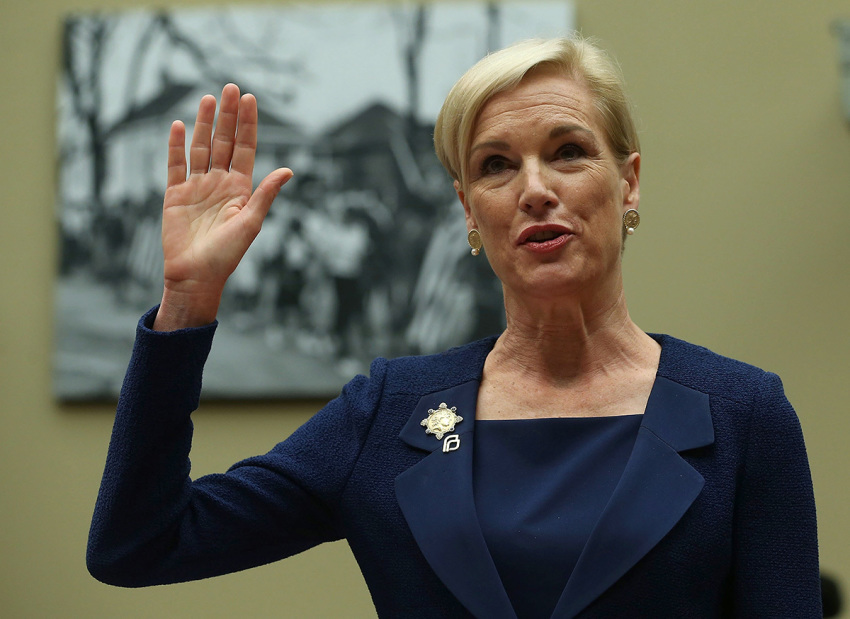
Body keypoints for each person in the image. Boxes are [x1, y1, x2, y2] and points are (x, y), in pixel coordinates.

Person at [87, 37, 821, 618]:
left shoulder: (743, 415)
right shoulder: (386, 414)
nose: (535, 189)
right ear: (470, 210)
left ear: (627, 182)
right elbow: (138, 544)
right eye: (496, 165)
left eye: (567, 152)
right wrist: (187, 300)